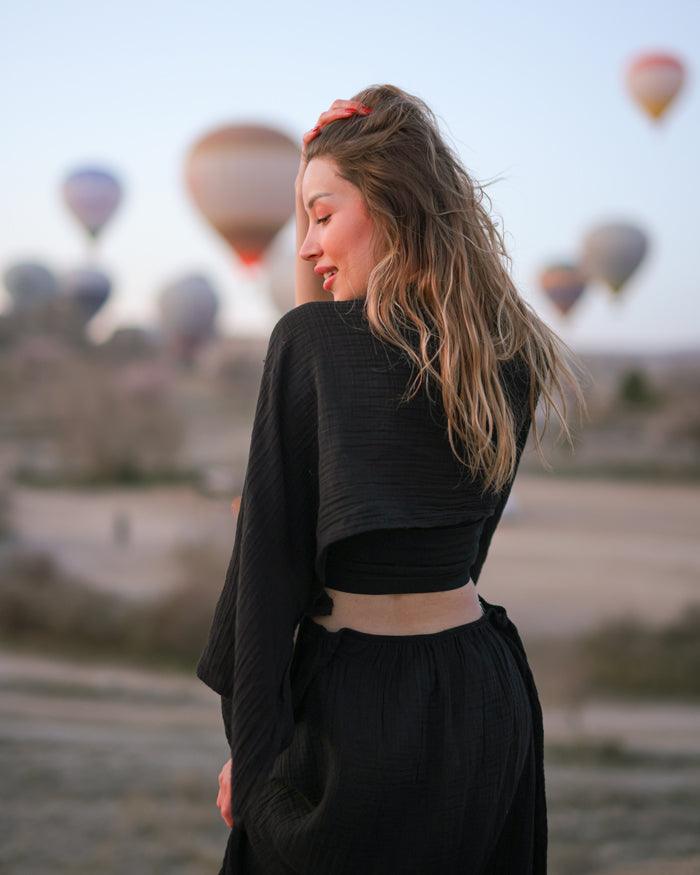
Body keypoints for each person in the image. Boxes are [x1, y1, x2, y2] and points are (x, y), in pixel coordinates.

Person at [205, 84, 589, 874]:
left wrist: (252, 747)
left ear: (391, 203)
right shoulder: (508, 352)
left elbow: (267, 572)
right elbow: (471, 550)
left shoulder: (308, 343)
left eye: (321, 216)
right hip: (483, 693)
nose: (306, 246)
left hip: (360, 710)